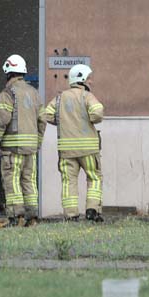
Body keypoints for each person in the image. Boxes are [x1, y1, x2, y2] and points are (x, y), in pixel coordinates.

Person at [41, 64, 104, 221]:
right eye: (89, 78)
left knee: (69, 182)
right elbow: (97, 114)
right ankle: (92, 210)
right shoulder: (87, 96)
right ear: (82, 79)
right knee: (94, 178)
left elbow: (46, 115)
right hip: (88, 149)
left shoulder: (59, 98)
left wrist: (63, 121)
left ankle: (71, 215)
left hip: (66, 151)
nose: (91, 81)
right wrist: (87, 118)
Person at [0, 54, 45, 227]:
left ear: (8, 73)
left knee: (12, 180)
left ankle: (16, 217)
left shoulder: (8, 93)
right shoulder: (34, 93)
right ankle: (32, 217)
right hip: (31, 148)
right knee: (29, 181)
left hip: (12, 148)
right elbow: (42, 120)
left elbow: (3, 117)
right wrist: (37, 142)